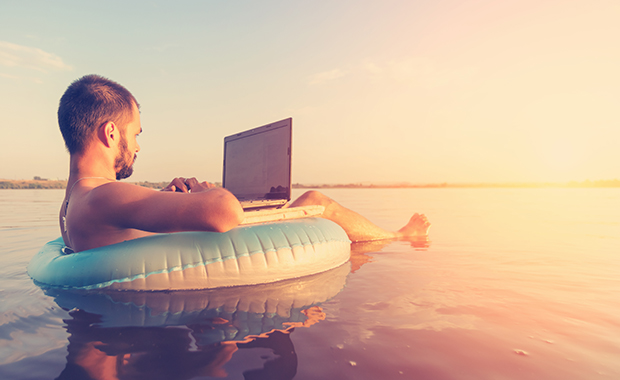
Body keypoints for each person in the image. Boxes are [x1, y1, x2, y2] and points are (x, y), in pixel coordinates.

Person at [58, 75, 430, 252]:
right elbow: (224, 213)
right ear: (110, 134)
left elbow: (123, 222)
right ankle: (400, 237)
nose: (137, 147)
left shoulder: (74, 201)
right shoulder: (103, 196)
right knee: (317, 200)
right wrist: (206, 192)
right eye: (135, 134)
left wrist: (164, 198)